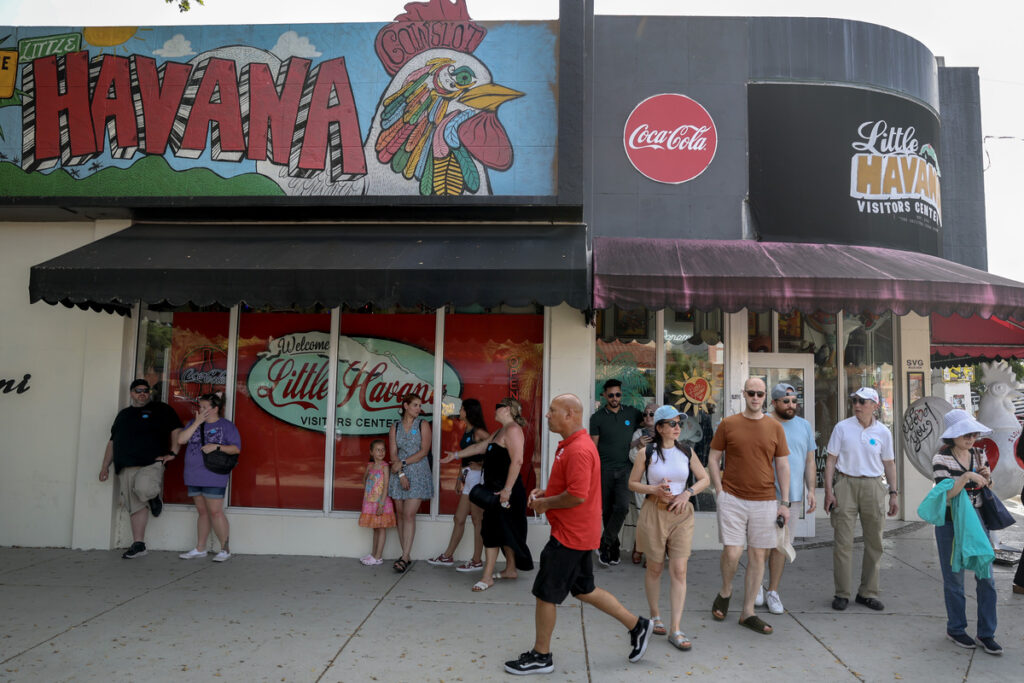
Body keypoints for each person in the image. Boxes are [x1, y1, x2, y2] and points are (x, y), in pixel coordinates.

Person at [504, 394, 652, 675]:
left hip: (570, 536)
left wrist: (545, 503)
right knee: (585, 589)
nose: (547, 415)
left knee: (545, 593)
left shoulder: (579, 449)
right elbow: (571, 486)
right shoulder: (570, 446)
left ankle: (541, 655)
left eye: (552, 410)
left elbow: (576, 495)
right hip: (575, 532)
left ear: (570, 414)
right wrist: (546, 492)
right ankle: (637, 625)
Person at [707, 377, 790, 635]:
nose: (756, 397)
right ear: (743, 393)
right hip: (732, 497)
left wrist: (784, 502)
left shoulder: (774, 427)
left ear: (766, 397)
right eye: (751, 393)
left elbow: (783, 465)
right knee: (732, 553)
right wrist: (718, 490)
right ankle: (726, 590)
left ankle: (747, 613)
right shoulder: (728, 424)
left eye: (760, 394)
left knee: (758, 556)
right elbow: (713, 457)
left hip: (765, 500)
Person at [628, 405, 710, 651]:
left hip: (681, 514)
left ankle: (676, 628)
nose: (677, 428)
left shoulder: (687, 451)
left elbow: (704, 478)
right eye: (672, 424)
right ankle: (655, 615)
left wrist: (688, 492)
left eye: (679, 424)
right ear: (660, 427)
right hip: (655, 512)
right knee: (654, 568)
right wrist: (653, 489)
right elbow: (632, 483)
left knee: (679, 570)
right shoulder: (647, 452)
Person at [931, 409, 1001, 654]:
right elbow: (946, 493)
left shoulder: (980, 454)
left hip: (978, 521)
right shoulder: (942, 458)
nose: (971, 438)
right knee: (954, 579)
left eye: (974, 433)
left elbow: (987, 487)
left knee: (987, 578)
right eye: (966, 433)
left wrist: (986, 478)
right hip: (950, 521)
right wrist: (968, 476)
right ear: (953, 435)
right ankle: (957, 628)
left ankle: (987, 633)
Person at [823, 387, 898, 611]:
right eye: (855, 400)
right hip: (845, 483)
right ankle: (842, 593)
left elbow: (889, 464)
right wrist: (829, 490)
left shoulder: (883, 432)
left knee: (874, 541)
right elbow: (830, 461)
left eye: (863, 401)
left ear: (875, 405)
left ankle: (867, 592)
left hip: (874, 485)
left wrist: (894, 493)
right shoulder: (842, 428)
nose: (857, 404)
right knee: (843, 542)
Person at [448, 398, 533, 591]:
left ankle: (487, 577)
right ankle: (510, 569)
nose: (494, 411)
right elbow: (480, 447)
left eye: (498, 407)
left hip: (505, 492)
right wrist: (455, 456)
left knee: (491, 531)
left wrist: (507, 490)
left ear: (507, 410)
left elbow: (517, 461)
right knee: (505, 531)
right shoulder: (500, 431)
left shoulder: (513, 430)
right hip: (495, 490)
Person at [99, 379, 182, 559]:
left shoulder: (161, 409)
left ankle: (153, 497)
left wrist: (173, 452)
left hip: (152, 462)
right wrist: (105, 466)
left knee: (143, 488)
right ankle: (139, 544)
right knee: (135, 506)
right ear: (131, 393)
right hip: (126, 465)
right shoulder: (123, 415)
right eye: (138, 390)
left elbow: (176, 429)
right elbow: (113, 441)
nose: (142, 393)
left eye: (146, 390)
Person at [757, 383, 817, 615]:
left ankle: (772, 591)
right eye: (786, 401)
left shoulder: (804, 425)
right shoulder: (762, 423)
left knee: (781, 546)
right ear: (774, 402)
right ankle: (756, 588)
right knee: (761, 545)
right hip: (764, 495)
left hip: (792, 498)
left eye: (794, 401)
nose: (792, 405)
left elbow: (810, 460)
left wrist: (810, 490)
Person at [177, 392, 242, 562]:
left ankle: (224, 549)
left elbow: (236, 449)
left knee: (215, 511)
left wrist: (217, 447)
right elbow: (181, 440)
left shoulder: (227, 426)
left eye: (205, 407)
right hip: (193, 474)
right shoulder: (193, 422)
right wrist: (197, 422)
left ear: (215, 408)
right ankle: (200, 548)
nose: (201, 409)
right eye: (200, 406)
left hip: (214, 474)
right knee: (202, 512)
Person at [430, 399, 490, 571]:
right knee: (459, 518)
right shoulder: (467, 429)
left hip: (479, 478)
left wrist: (481, 466)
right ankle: (448, 556)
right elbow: (464, 457)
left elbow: (497, 451)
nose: (460, 411)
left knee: (478, 520)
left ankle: (477, 560)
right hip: (468, 477)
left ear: (469, 411)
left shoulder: (479, 432)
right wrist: (459, 478)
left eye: (462, 408)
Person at [590, 379, 645, 566]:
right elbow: (593, 447)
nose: (615, 398)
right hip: (604, 470)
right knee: (606, 511)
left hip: (624, 470)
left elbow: (650, 420)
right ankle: (612, 549)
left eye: (618, 394)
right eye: (611, 395)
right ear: (604, 396)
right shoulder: (596, 418)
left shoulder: (631, 413)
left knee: (621, 507)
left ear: (621, 395)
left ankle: (603, 544)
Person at [388, 393, 433, 573]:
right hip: (399, 474)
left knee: (408, 514)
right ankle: (404, 554)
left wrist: (404, 463)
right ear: (405, 406)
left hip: (418, 472)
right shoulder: (395, 427)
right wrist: (400, 474)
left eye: (419, 405)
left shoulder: (423, 424)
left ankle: (405, 556)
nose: (418, 408)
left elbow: (424, 451)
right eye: (415, 405)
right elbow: (393, 453)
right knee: (400, 514)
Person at [625, 402, 657, 564]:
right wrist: (639, 448)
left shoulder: (665, 432)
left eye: (652, 414)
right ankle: (640, 547)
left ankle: (651, 552)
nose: (647, 417)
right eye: (645, 414)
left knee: (656, 519)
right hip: (642, 482)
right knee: (642, 518)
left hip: (660, 484)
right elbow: (631, 457)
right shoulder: (638, 433)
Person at [359, 438, 396, 566]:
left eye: (383, 450)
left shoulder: (385, 467)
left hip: (381, 502)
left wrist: (381, 504)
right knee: (375, 528)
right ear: (371, 452)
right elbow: (365, 481)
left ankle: (378, 556)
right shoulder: (370, 466)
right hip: (370, 501)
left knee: (381, 528)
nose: (381, 452)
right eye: (377, 450)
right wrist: (367, 473)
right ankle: (373, 554)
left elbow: (386, 486)